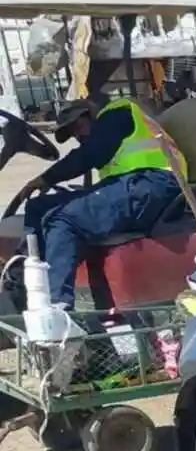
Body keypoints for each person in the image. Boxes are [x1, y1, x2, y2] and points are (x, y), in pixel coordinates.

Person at [7, 91, 179, 311]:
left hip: (152, 185)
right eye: (73, 134)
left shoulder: (116, 113)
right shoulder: (109, 131)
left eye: (78, 127)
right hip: (130, 186)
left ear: (90, 114)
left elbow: (89, 155)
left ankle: (57, 308)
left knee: (63, 219)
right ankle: (22, 281)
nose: (78, 136)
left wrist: (44, 179)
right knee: (38, 207)